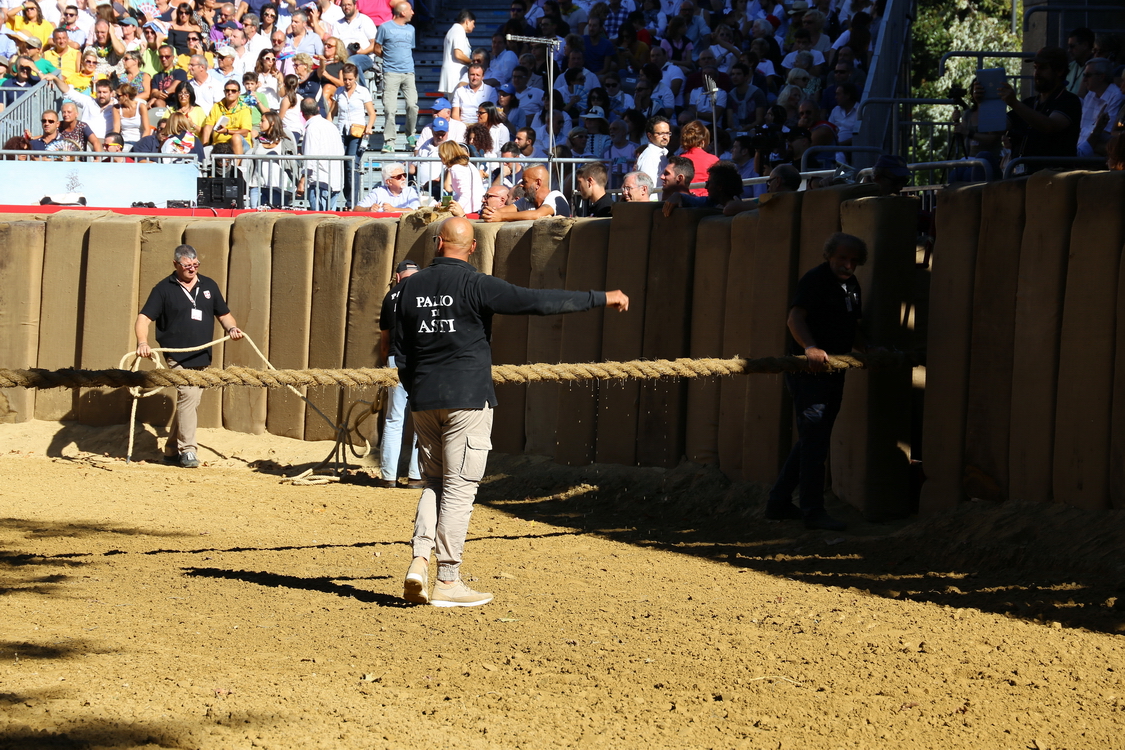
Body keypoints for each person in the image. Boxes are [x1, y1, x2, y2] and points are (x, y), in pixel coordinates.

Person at [394, 216, 630, 606]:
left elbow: (400, 350)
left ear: (437, 244)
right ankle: (448, 580)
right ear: (471, 249)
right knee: (459, 489)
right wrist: (600, 297)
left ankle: (419, 560)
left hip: (424, 400)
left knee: (434, 483)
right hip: (467, 399)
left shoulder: (409, 288)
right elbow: (537, 302)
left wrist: (415, 388)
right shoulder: (476, 284)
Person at [766, 233, 875, 531]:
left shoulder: (852, 286)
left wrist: (870, 350)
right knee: (815, 441)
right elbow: (795, 319)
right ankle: (813, 512)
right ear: (829, 255)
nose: (848, 265)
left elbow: (851, 326)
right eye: (842, 258)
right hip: (808, 373)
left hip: (833, 371)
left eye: (854, 260)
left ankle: (778, 502)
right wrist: (810, 347)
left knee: (812, 439)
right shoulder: (815, 280)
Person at [135, 245, 244, 469]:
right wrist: (142, 342)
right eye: (187, 266)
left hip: (202, 355)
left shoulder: (209, 285)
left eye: (195, 265)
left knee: (190, 402)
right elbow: (144, 318)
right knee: (188, 397)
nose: (192, 269)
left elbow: (224, 314)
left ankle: (171, 450)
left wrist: (232, 328)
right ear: (176, 265)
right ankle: (188, 451)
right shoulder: (163, 289)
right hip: (177, 356)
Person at [377, 259, 423, 489]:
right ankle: (416, 476)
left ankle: (388, 477)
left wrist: (387, 363)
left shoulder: (390, 297)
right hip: (422, 359)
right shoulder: (426, 293)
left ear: (397, 277)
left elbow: (385, 340)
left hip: (396, 359)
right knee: (421, 418)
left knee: (394, 418)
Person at [997, 46, 1082, 172]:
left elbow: (1050, 126)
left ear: (1059, 71)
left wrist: (1014, 103)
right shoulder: (1029, 103)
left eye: (1042, 68)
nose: (1037, 73)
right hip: (1020, 175)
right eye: (1035, 68)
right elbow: (994, 128)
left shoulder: (1069, 101)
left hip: (1052, 177)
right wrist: (984, 102)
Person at [375, 0, 417, 153]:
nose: (413, 13)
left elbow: (409, 48)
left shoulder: (411, 29)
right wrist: (388, 59)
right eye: (411, 10)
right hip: (391, 73)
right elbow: (377, 48)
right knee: (389, 109)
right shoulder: (385, 28)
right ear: (403, 12)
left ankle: (411, 134)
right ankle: (389, 141)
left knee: (412, 105)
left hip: (408, 72)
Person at [334, 61, 375, 208]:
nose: (347, 82)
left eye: (350, 79)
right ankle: (348, 199)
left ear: (356, 77)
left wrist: (369, 127)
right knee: (344, 166)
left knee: (352, 165)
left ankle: (353, 202)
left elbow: (372, 113)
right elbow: (333, 112)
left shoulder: (363, 91)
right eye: (345, 79)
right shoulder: (338, 91)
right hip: (342, 131)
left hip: (357, 132)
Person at [300, 96, 345, 210]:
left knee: (319, 220)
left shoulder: (312, 128)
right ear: (318, 109)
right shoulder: (331, 126)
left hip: (320, 181)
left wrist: (302, 180)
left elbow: (310, 157)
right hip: (335, 181)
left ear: (302, 113)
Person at [481, 164, 569, 221]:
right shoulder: (526, 201)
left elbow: (538, 215)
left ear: (538, 183)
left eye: (525, 181)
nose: (521, 185)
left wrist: (501, 216)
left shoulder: (555, 196)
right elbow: (502, 211)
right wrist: (489, 213)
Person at [1077, 57, 1123, 157]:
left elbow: (1106, 132)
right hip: (1082, 149)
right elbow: (1082, 128)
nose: (1084, 79)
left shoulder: (1117, 96)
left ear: (1101, 77)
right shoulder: (1090, 94)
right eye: (1084, 75)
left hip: (1096, 154)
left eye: (1088, 75)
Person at [662, 159, 743, 213]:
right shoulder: (709, 202)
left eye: (709, 183)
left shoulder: (742, 209)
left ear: (719, 187)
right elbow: (693, 200)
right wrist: (678, 195)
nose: (706, 187)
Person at [201, 79, 251, 153]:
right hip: (218, 145)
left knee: (236, 137)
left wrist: (227, 131)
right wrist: (204, 145)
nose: (230, 93)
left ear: (239, 93)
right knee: (205, 151)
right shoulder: (217, 106)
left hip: (239, 144)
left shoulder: (244, 108)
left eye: (233, 91)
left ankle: (236, 164)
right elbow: (208, 126)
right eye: (227, 90)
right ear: (224, 92)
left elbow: (245, 132)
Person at [439, 139, 485, 213]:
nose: (440, 157)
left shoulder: (456, 168)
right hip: (477, 206)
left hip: (470, 210)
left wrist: (456, 209)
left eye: (440, 154)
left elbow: (466, 193)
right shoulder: (468, 164)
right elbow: (461, 193)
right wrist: (446, 203)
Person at [355, 161, 420, 212]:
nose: (403, 178)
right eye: (399, 176)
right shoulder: (378, 192)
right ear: (389, 181)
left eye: (404, 175)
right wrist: (369, 209)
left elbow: (417, 210)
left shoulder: (410, 191)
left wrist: (394, 210)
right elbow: (356, 209)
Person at [439, 9, 474, 97]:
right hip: (455, 75)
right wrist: (472, 63)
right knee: (456, 104)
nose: (474, 26)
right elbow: (458, 54)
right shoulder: (458, 31)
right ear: (467, 21)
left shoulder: (455, 30)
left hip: (455, 74)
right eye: (473, 23)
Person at [635, 114, 670, 199]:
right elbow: (647, 188)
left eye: (667, 133)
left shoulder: (662, 153)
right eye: (660, 133)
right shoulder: (649, 156)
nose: (665, 137)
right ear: (650, 136)